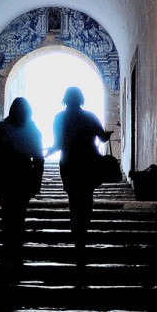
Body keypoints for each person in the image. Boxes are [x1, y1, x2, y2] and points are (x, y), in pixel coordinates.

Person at [45, 86, 112, 274]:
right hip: (89, 162)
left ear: (65, 99)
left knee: (74, 198)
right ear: (81, 99)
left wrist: (49, 151)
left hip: (69, 163)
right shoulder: (90, 117)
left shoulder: (59, 118)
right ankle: (84, 229)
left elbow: (58, 143)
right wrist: (106, 136)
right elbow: (102, 137)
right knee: (87, 196)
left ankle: (77, 233)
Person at [0, 96, 45, 284]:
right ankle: (15, 252)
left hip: (6, 177)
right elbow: (39, 159)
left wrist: (1, 166)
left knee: (9, 214)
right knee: (18, 215)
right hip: (23, 177)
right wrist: (36, 182)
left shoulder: (3, 128)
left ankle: (8, 251)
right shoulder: (32, 130)